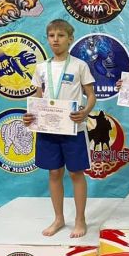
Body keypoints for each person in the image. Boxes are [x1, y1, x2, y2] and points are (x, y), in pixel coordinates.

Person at [23, 19, 96, 238]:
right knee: (54, 172)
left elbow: (91, 95)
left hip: (73, 128)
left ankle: (80, 219)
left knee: (75, 173)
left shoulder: (79, 65)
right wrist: (30, 115)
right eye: (52, 35)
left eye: (61, 35)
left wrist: (85, 112)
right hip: (48, 129)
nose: (56, 39)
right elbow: (37, 98)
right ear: (47, 39)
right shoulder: (41, 67)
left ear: (70, 39)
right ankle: (58, 218)